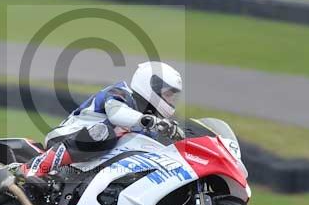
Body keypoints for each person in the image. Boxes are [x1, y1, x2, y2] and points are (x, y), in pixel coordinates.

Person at [11, 61, 183, 180]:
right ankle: (32, 168)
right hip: (69, 137)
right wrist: (150, 121)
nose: (171, 100)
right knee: (106, 132)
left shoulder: (148, 125)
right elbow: (117, 115)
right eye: (168, 94)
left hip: (94, 160)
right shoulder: (121, 92)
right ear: (151, 85)